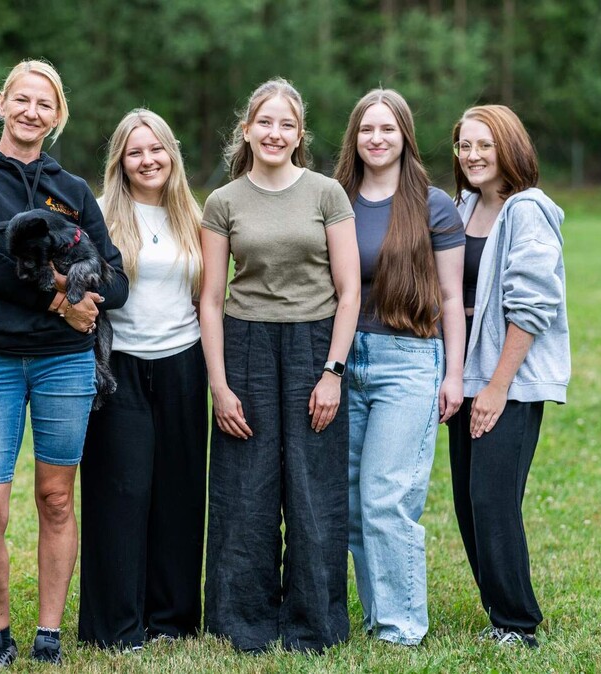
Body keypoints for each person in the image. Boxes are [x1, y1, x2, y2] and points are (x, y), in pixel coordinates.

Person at [0, 59, 129, 669]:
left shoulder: (72, 191)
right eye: (21, 99)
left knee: (56, 500)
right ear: (3, 104)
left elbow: (116, 280)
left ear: (58, 115)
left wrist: (82, 291)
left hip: (63, 365)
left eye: (44, 104)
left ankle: (48, 635)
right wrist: (61, 300)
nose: (31, 112)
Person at [199, 78, 360, 653]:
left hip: (315, 346)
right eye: (264, 122)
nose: (274, 133)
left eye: (286, 124)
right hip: (246, 348)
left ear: (299, 134)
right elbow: (211, 299)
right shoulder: (223, 202)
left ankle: (313, 624)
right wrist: (220, 385)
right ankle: (243, 622)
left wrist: (333, 372)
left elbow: (349, 290)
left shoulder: (326, 194)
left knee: (315, 489)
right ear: (246, 130)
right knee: (246, 491)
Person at [332, 89, 466, 645]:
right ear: (355, 137)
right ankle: (377, 615)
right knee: (352, 502)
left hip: (408, 361)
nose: (377, 138)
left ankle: (401, 627)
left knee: (387, 496)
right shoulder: (336, 198)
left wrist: (453, 374)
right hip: (344, 361)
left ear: (405, 135)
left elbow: (452, 297)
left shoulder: (432, 205)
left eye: (388, 128)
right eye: (367, 129)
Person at [77, 109, 208, 651]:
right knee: (120, 492)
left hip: (184, 362)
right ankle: (117, 626)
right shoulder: (101, 213)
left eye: (156, 150)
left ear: (171, 154)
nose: (148, 160)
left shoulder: (194, 215)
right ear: (120, 161)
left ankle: (172, 621)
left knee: (180, 491)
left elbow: (206, 296)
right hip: (119, 367)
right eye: (136, 152)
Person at [448, 104, 570, 649]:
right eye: (464, 145)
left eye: (484, 144)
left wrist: (498, 387)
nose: (472, 155)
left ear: (509, 148)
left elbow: (534, 304)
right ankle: (499, 613)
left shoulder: (528, 210)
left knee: (493, 500)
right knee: (468, 502)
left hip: (508, 381)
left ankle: (518, 625)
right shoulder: (464, 206)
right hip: (466, 377)